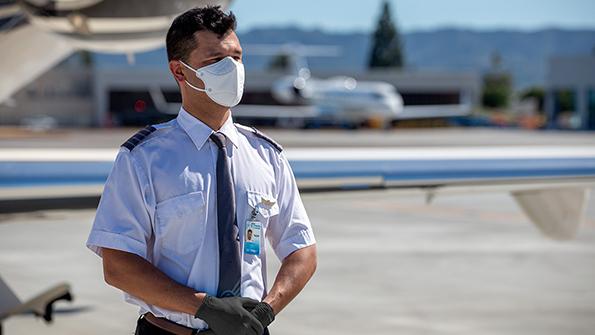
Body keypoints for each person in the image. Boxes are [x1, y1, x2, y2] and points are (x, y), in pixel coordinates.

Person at [86, 6, 317, 335]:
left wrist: (266, 310)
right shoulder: (144, 158)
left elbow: (301, 249)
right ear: (179, 72)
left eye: (237, 57)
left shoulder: (267, 156)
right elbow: (118, 265)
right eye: (215, 61)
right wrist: (203, 307)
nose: (233, 69)